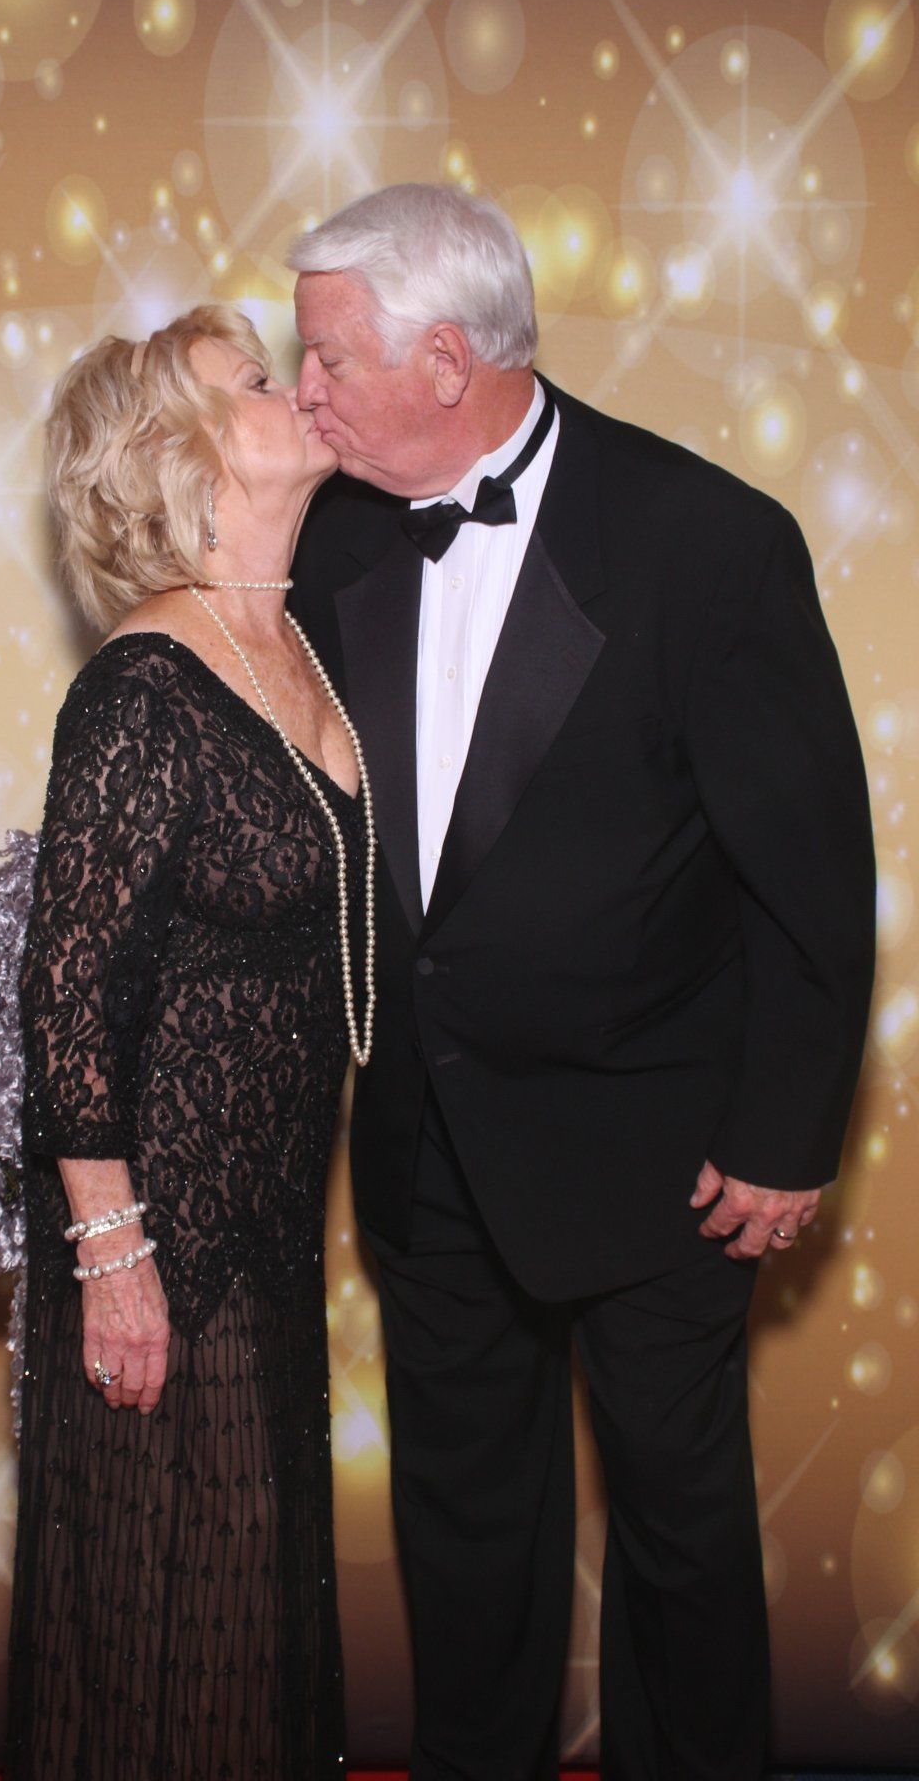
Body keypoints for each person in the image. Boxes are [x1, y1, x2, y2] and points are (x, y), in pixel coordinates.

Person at [287, 184, 876, 1781]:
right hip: (427, 1145)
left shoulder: (707, 543)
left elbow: (813, 873)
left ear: (447, 360)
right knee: (466, 1550)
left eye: (330, 357)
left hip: (663, 1155)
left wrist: (783, 1136)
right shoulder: (329, 535)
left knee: (681, 1539)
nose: (305, 390)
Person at [6, 304, 369, 1779]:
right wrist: (113, 1260)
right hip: (164, 1253)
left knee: (251, 1631)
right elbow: (66, 992)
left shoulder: (302, 646)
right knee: (164, 1635)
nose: (297, 389)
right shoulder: (142, 686)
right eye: (257, 380)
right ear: (182, 451)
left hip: (271, 1232)